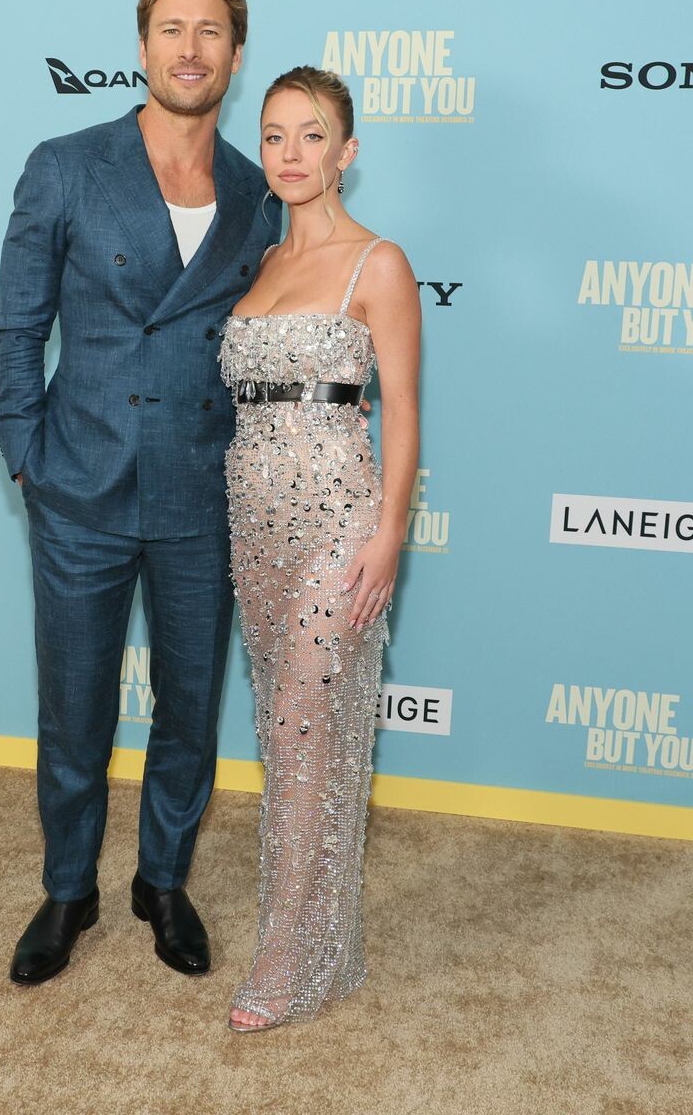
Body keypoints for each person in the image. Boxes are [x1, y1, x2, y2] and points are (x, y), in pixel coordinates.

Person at [0, 0, 277, 986]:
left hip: (204, 485)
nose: (190, 49)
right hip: (82, 481)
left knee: (190, 707)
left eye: (210, 32)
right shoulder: (66, 164)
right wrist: (26, 453)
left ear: (235, 56)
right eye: (171, 29)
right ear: (143, 46)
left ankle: (163, 881)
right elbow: (20, 326)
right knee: (75, 706)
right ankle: (68, 888)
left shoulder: (256, 189)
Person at [217, 67, 420, 1031]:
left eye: (311, 134)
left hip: (339, 525)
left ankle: (287, 960)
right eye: (274, 135)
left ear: (347, 151)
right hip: (253, 525)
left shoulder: (377, 263)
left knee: (306, 734)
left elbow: (403, 413)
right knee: (284, 734)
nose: (291, 153)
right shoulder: (260, 262)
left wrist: (389, 536)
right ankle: (326, 943)